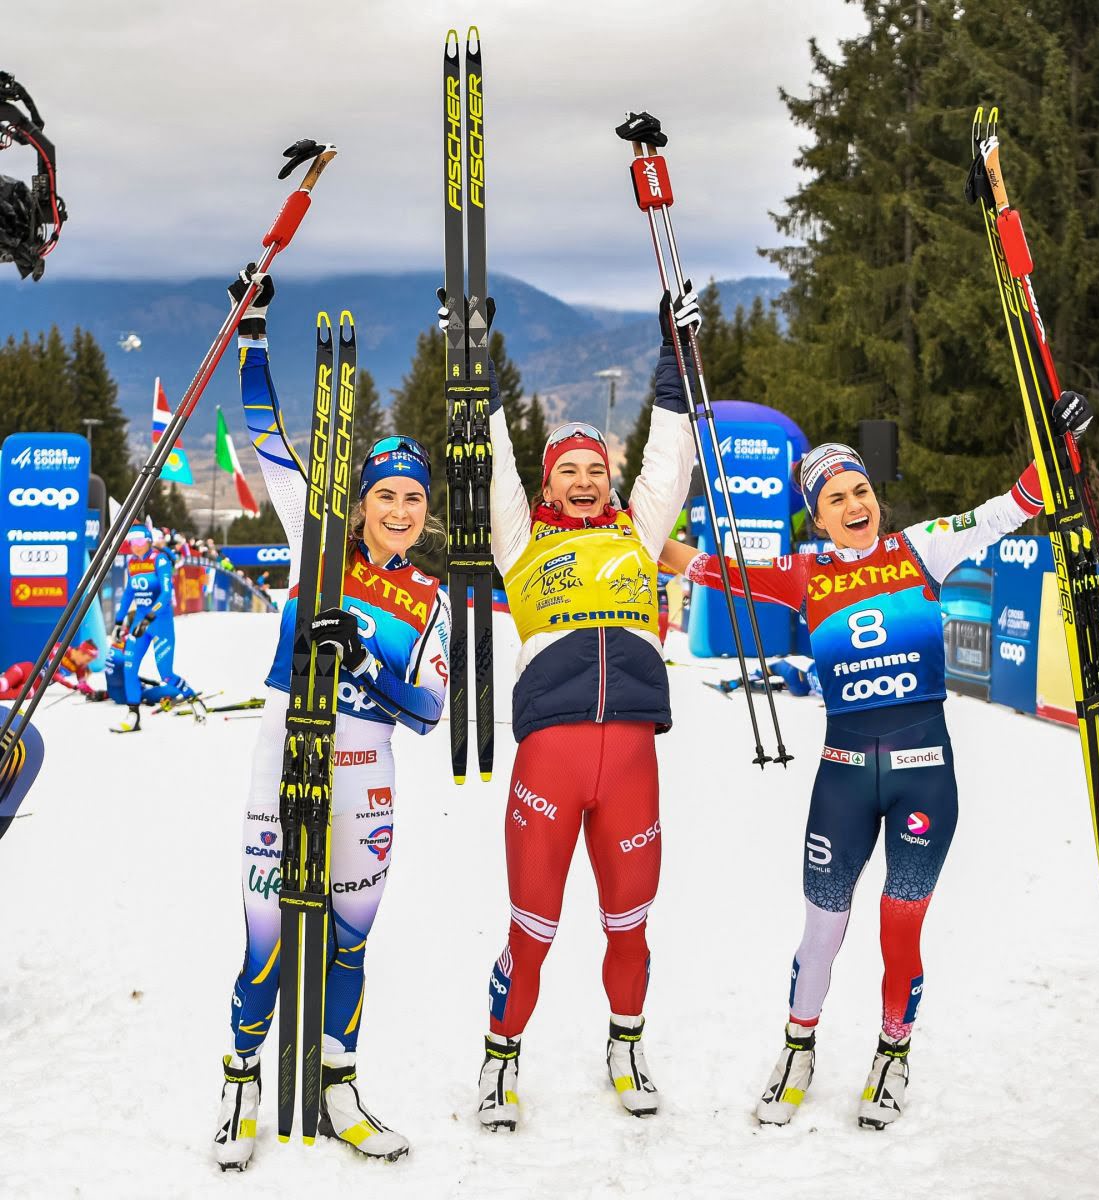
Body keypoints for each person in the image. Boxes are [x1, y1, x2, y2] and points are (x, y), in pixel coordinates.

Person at [659, 390, 1094, 1131]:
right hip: (844, 779)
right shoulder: (801, 571)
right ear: (817, 516)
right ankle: (798, 1050)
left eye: (860, 490)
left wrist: (1062, 446)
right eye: (835, 498)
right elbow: (703, 566)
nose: (854, 504)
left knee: (900, 926)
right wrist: (627, 523)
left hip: (925, 774)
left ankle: (893, 1055)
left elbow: (1012, 507)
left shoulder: (921, 548)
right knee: (821, 931)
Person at [212, 268, 450, 1171]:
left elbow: (429, 711)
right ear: (361, 502)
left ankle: (339, 1089)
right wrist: (253, 337)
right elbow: (269, 436)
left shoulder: (430, 597)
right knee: (267, 941)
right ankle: (241, 1086)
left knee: (350, 941)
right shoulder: (316, 540)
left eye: (413, 498)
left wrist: (366, 663)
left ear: (425, 514)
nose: (399, 509)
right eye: (386, 494)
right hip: (285, 754)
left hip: (367, 772)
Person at [472, 288, 700, 1131]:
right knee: (531, 930)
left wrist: (677, 354)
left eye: (595, 469)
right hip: (550, 764)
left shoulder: (637, 533)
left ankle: (626, 1046)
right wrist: (475, 358)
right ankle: (500, 1061)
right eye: (568, 469)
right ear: (549, 482)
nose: (583, 480)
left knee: (629, 926)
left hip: (632, 764)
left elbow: (669, 458)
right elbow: (493, 457)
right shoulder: (521, 540)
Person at [107, 523, 194, 732]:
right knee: (129, 667)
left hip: (160, 622)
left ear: (148, 542)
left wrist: (149, 617)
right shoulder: (132, 563)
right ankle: (133, 715)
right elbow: (129, 593)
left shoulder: (160, 560)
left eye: (139, 541)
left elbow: (166, 594)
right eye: (131, 542)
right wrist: (118, 621)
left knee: (166, 674)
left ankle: (192, 698)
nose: (135, 546)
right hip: (140, 621)